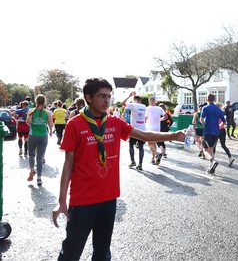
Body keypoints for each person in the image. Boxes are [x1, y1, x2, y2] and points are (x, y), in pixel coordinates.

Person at [52, 78, 185, 261]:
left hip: (108, 200)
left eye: (109, 96)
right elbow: (68, 164)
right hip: (82, 201)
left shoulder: (114, 122)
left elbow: (144, 135)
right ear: (89, 98)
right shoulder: (75, 124)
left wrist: (173, 135)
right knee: (71, 253)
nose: (107, 100)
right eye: (102, 96)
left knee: (102, 252)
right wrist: (61, 201)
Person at [25, 95, 53, 186]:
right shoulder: (48, 113)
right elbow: (51, 124)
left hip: (33, 135)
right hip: (43, 136)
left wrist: (34, 121)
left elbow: (28, 122)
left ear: (36, 101)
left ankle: (32, 170)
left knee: (32, 155)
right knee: (40, 158)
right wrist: (51, 132)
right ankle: (39, 178)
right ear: (44, 102)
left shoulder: (31, 111)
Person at [201, 94, 226, 174]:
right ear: (214, 99)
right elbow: (224, 122)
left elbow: (201, 119)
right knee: (211, 149)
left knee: (205, 150)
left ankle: (213, 161)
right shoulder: (218, 109)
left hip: (208, 131)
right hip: (216, 132)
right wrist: (219, 126)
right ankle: (211, 168)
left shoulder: (205, 108)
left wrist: (204, 124)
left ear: (207, 99)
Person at [122, 92, 147, 170]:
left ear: (135, 100)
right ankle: (140, 164)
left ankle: (133, 161)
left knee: (131, 145)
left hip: (134, 129)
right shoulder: (144, 106)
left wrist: (129, 96)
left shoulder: (134, 105)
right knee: (141, 147)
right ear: (140, 100)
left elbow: (123, 103)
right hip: (142, 129)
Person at [145, 97, 168, 165]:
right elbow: (166, 117)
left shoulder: (147, 108)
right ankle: (153, 159)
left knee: (150, 144)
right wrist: (160, 119)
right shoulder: (159, 108)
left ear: (149, 101)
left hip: (149, 128)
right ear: (155, 101)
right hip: (157, 128)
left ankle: (156, 154)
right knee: (154, 143)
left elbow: (145, 118)